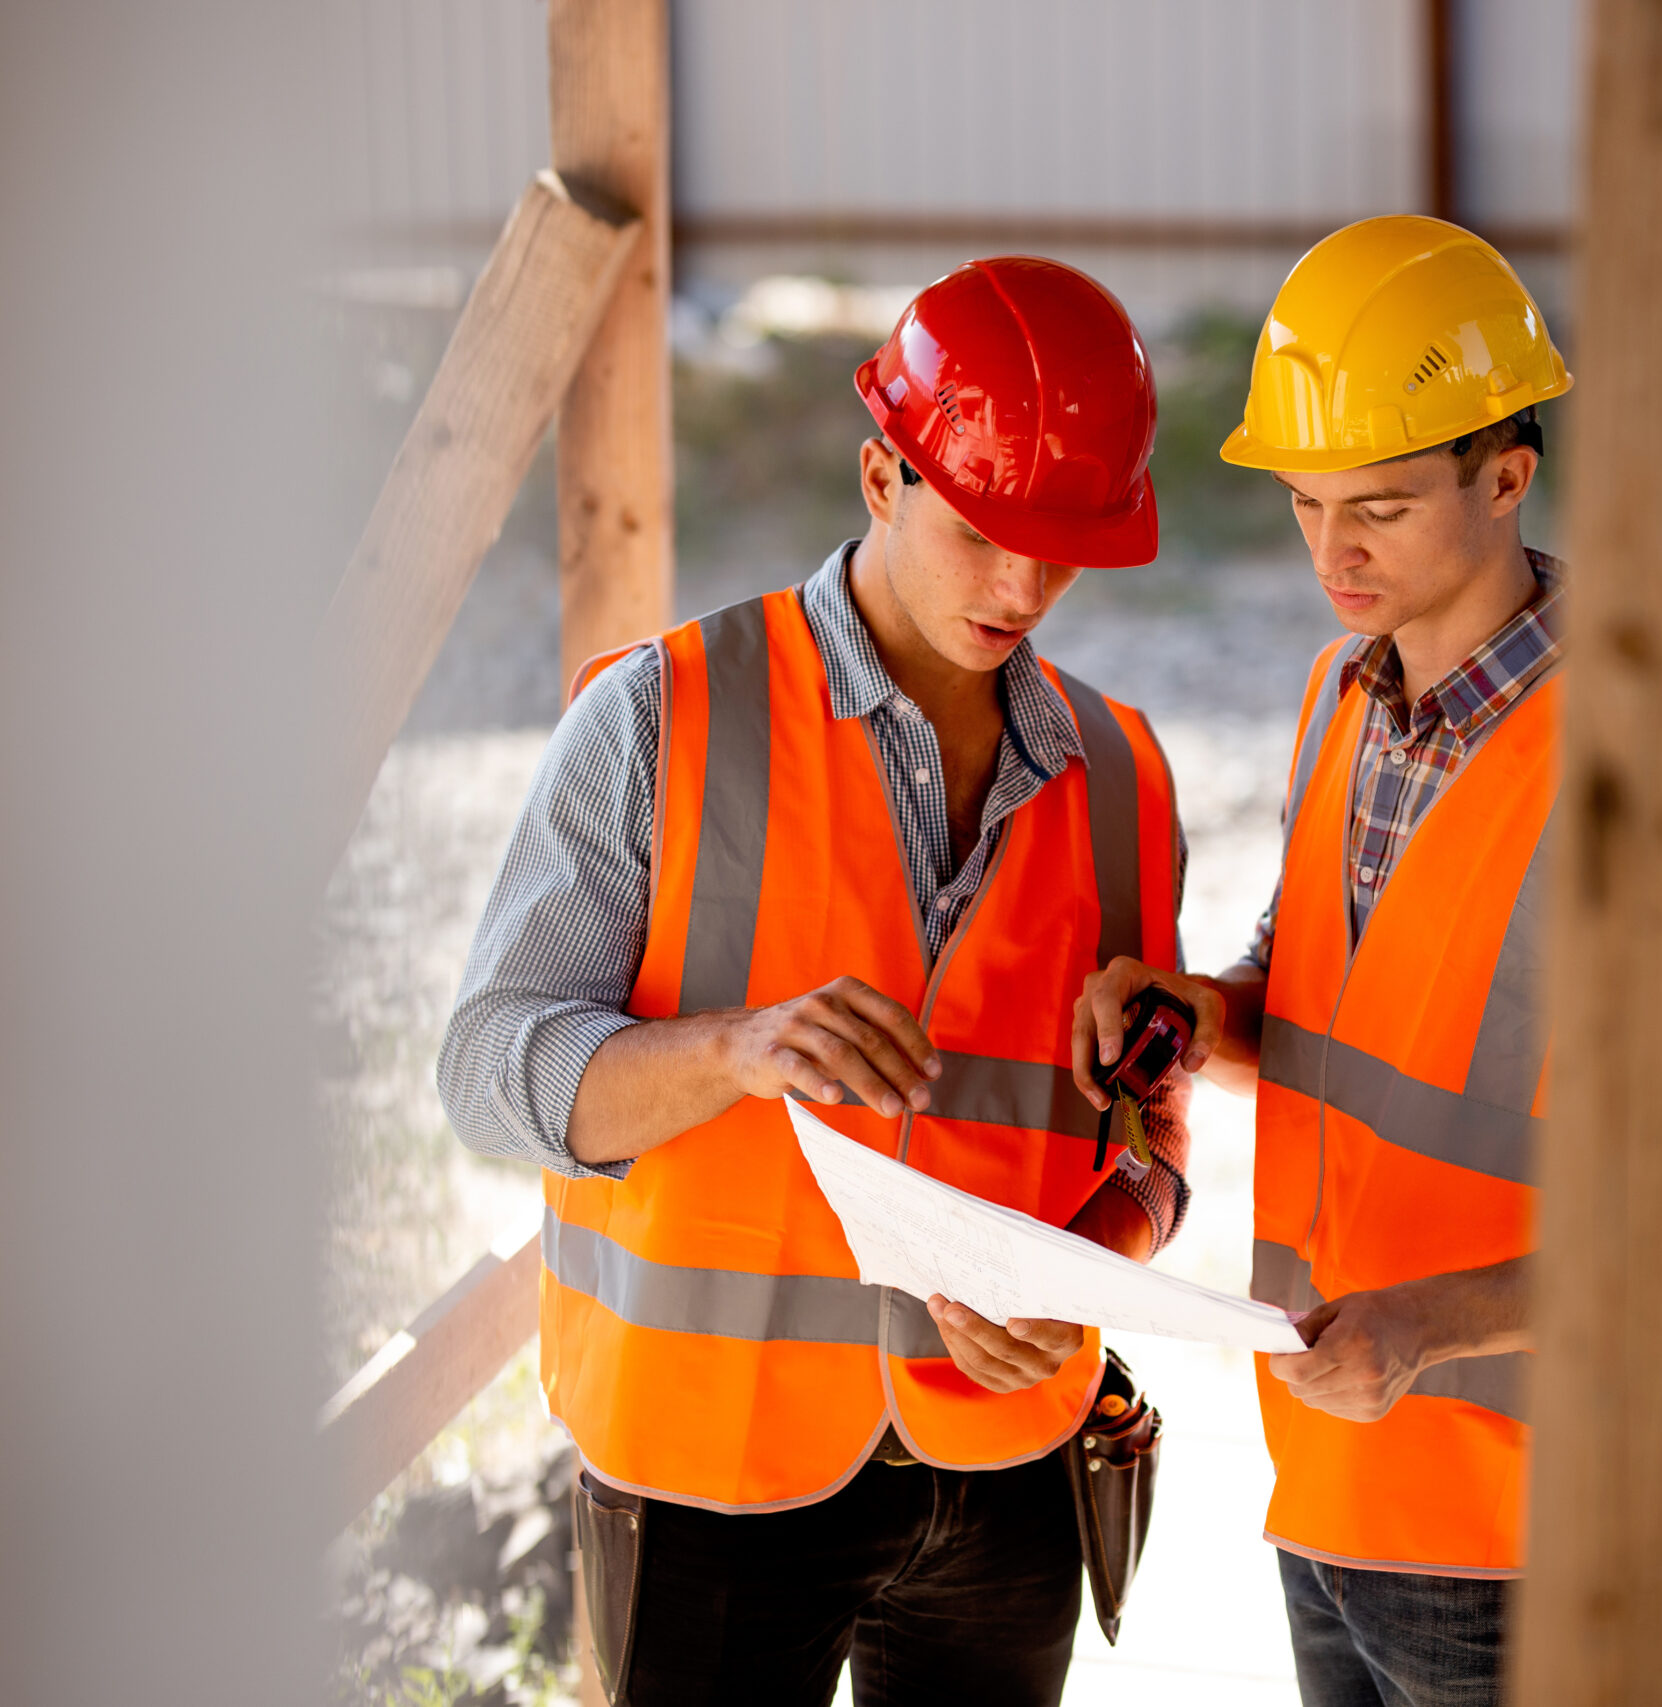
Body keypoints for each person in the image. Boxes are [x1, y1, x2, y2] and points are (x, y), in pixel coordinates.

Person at [439, 255, 1194, 1707]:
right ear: (879, 474)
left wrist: (1094, 1260)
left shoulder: (1124, 779)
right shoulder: (659, 719)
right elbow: (484, 1074)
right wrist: (725, 1051)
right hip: (714, 1479)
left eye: (1065, 543)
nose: (1025, 587)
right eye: (983, 532)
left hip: (1012, 1477)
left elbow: (1153, 1143)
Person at [1070, 217, 1571, 1705]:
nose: (1332, 555)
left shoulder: (1643, 754)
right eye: (1301, 504)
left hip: (1525, 1520)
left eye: (1382, 508)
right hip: (1325, 1477)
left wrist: (1432, 1325)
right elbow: (1324, 1010)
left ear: (1505, 476)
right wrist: (1198, 1015)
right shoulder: (1335, 698)